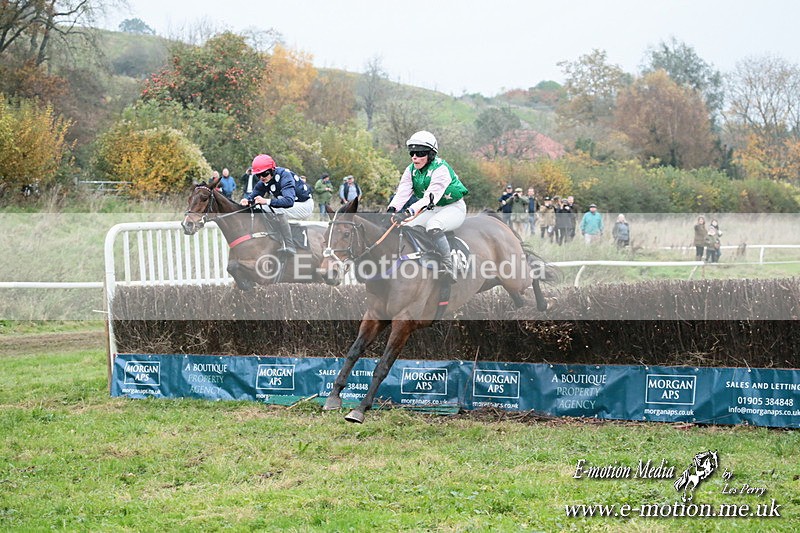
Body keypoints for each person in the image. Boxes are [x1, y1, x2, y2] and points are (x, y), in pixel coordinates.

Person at [387, 130, 469, 283]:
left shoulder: (440, 169)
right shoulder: (411, 169)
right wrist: (392, 209)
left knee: (433, 225)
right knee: (407, 225)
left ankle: (448, 265)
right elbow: (403, 192)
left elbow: (429, 197)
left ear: (431, 154)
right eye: (412, 152)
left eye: (420, 153)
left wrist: (408, 211)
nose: (414, 157)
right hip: (433, 209)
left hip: (453, 208)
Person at [239, 154, 314, 254]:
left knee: (275, 208)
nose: (261, 177)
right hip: (292, 205)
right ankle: (272, 236)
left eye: (264, 174)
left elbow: (288, 201)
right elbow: (253, 196)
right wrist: (246, 200)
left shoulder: (284, 176)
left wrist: (266, 201)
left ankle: (289, 245)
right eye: (258, 175)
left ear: (272, 170)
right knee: (262, 207)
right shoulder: (265, 180)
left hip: (304, 205)